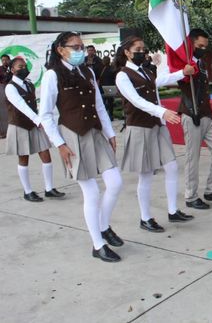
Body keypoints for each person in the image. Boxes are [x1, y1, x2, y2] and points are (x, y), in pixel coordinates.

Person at [39, 31, 124, 263]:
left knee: (115, 182)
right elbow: (45, 115)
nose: (80, 51)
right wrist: (60, 144)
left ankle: (104, 226)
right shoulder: (52, 76)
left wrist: (109, 132)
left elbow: (98, 104)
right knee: (92, 192)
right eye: (74, 47)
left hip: (95, 132)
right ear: (61, 49)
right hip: (72, 135)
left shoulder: (87, 71)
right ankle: (98, 244)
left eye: (81, 46)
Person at [115, 36, 195, 232]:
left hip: (157, 125)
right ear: (127, 52)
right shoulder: (123, 75)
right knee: (146, 175)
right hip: (140, 127)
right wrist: (163, 112)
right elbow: (136, 101)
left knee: (172, 167)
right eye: (138, 49)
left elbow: (159, 82)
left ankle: (173, 211)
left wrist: (181, 73)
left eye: (143, 48)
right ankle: (145, 218)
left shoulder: (145, 71)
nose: (142, 52)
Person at [176, 28, 212, 209]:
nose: (203, 49)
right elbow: (173, 80)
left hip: (207, 114)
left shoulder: (202, 63)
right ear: (191, 45)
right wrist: (184, 72)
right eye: (199, 46)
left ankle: (211, 190)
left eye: (205, 46)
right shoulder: (184, 64)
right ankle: (191, 196)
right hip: (192, 114)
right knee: (193, 157)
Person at [4, 56, 65, 202]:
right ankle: (28, 191)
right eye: (20, 67)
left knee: (46, 155)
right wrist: (39, 120)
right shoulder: (10, 87)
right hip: (20, 125)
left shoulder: (29, 84)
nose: (24, 69)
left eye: (25, 66)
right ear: (12, 69)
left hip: (34, 124)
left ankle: (49, 189)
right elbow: (21, 105)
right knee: (24, 158)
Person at [98, 56, 116, 120]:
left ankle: (105, 116)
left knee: (103, 102)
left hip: (103, 87)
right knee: (110, 102)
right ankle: (111, 115)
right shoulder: (112, 68)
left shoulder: (101, 69)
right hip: (111, 87)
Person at [0, 53, 10, 138]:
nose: (4, 61)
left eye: (6, 60)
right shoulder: (0, 69)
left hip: (14, 90)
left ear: (9, 60)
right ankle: (4, 132)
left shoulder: (13, 68)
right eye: (2, 60)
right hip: (3, 92)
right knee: (4, 113)